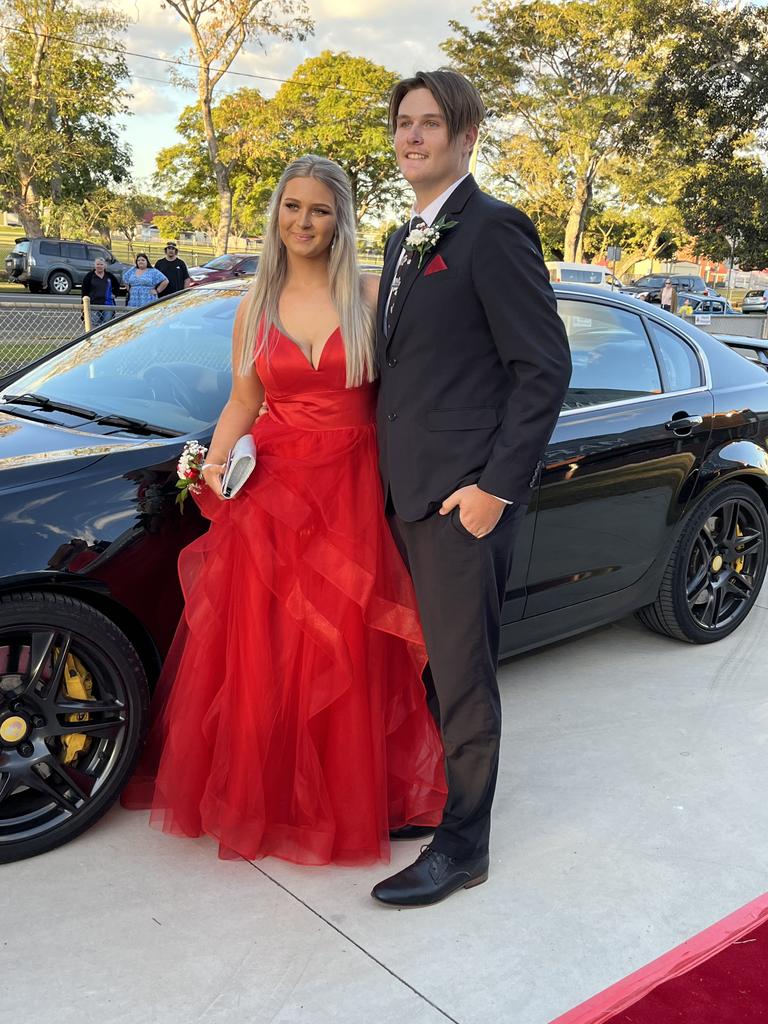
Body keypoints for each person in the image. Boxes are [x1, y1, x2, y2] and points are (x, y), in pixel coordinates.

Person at [121, 155, 446, 865]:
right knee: (268, 651)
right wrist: (213, 466)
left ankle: (350, 800)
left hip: (352, 487)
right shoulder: (254, 305)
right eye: (292, 207)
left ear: (341, 220)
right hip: (271, 491)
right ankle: (265, 798)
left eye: (320, 209)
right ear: (276, 215)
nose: (303, 221)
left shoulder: (369, 295)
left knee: (345, 644)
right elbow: (243, 403)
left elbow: (417, 392)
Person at [370, 70, 572, 908]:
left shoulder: (493, 231)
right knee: (422, 672)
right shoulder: (400, 237)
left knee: (462, 677)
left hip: (461, 505)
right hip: (399, 495)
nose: (413, 137)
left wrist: (494, 487)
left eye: (430, 124)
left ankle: (465, 845)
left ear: (467, 138)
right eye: (403, 124)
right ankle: (436, 802)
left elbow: (544, 367)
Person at [81, 257, 120, 326]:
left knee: (107, 325)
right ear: (95, 265)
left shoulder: (109, 276)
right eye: (97, 264)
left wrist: (115, 294)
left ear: (105, 266)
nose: (99, 266)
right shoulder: (89, 276)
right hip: (93, 304)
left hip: (107, 305)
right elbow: (84, 291)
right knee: (95, 325)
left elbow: (117, 285)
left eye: (101, 264)